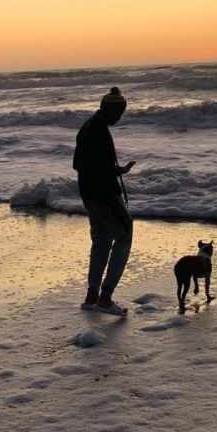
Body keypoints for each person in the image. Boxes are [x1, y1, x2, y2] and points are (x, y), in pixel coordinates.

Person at [73, 87, 135, 315]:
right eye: (118, 113)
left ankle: (92, 296)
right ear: (109, 109)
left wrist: (116, 170)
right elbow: (86, 169)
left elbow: (91, 166)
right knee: (124, 234)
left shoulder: (92, 126)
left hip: (92, 194)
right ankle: (106, 297)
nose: (119, 118)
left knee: (101, 241)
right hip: (103, 196)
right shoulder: (96, 131)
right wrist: (100, 202)